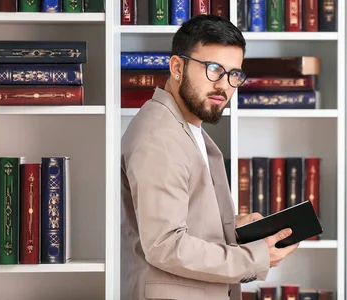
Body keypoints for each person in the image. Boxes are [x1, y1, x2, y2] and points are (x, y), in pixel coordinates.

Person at [120, 14, 299, 300]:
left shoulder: (185, 128)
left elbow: (180, 222)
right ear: (177, 67)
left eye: (233, 74)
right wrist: (254, 257)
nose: (224, 86)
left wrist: (232, 230)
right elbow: (165, 245)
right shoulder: (159, 137)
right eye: (213, 69)